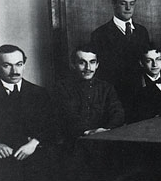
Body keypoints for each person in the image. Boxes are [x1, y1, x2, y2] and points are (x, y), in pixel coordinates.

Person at [0, 45, 55, 181]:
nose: (15, 71)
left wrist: (34, 143)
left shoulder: (40, 93)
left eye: (19, 64)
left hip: (34, 164)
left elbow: (53, 126)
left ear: (24, 65)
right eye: (7, 65)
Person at [53, 44, 125, 180]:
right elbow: (68, 116)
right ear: (73, 64)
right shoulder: (62, 88)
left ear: (97, 64)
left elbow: (118, 112)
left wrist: (105, 130)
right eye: (82, 63)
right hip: (75, 145)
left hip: (105, 142)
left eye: (92, 62)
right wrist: (88, 132)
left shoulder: (106, 87)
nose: (88, 68)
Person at [91, 0, 150, 100]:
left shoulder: (142, 31)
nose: (128, 8)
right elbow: (100, 71)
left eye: (132, 4)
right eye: (123, 3)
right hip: (115, 93)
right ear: (114, 4)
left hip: (139, 92)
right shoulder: (100, 34)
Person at [124, 44, 161, 123]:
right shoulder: (135, 87)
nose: (155, 64)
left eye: (158, 59)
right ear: (141, 63)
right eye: (149, 61)